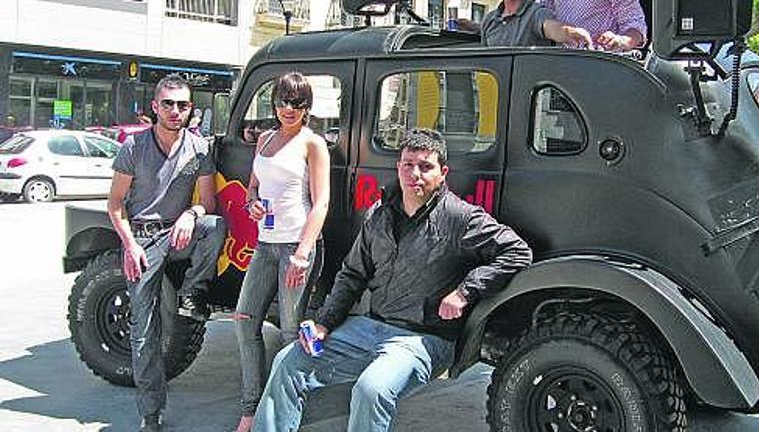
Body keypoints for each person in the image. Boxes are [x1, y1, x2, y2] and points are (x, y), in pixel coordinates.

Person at [251, 128, 532, 432]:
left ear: (443, 172)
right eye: (408, 164)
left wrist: (465, 291)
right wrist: (324, 325)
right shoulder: (379, 214)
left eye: (426, 166)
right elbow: (352, 275)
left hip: (423, 338)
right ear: (398, 167)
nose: (415, 174)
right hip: (370, 327)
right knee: (288, 361)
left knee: (372, 389)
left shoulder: (461, 218)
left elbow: (518, 252)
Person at [107, 74, 227, 432]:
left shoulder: (198, 149)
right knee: (144, 331)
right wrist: (129, 245)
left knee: (215, 225)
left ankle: (192, 294)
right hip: (142, 240)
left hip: (177, 234)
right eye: (169, 104)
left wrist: (191, 215)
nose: (176, 111)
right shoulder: (133, 147)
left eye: (183, 105)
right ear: (155, 107)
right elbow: (115, 205)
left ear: (191, 109)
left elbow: (208, 203)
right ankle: (151, 411)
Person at [233, 72, 331, 432]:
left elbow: (321, 202)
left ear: (307, 108)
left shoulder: (312, 143)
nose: (289, 109)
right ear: (273, 103)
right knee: (244, 320)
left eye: (298, 103)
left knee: (291, 331)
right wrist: (253, 203)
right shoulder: (265, 139)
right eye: (283, 101)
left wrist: (303, 252)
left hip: (297, 244)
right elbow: (252, 187)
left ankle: (288, 409)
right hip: (266, 242)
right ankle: (251, 406)